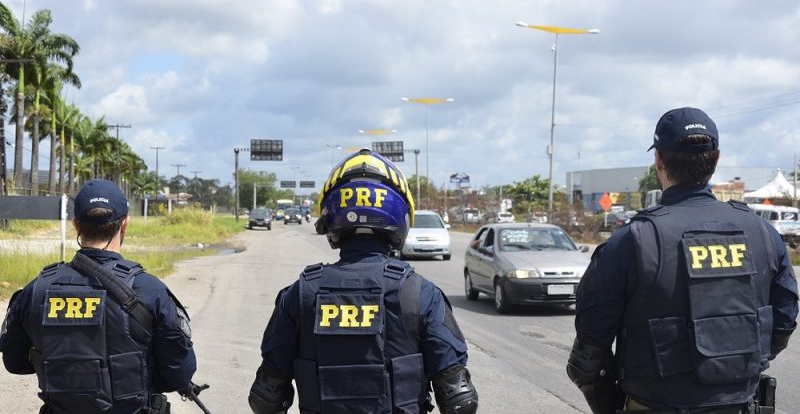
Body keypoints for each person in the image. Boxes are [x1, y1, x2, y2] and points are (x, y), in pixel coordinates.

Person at [567, 107, 799, 414]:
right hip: (740, 403)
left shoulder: (632, 241)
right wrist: (731, 372)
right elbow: (784, 321)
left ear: (659, 161)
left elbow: (589, 354)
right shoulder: (763, 233)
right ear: (715, 160)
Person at [248, 148, 478, 414]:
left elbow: (265, 398)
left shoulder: (302, 292)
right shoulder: (420, 293)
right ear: (400, 213)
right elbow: (459, 400)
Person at [0, 179, 199, 414]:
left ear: (76, 225)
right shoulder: (150, 290)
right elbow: (179, 373)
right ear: (124, 224)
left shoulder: (38, 290)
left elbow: (15, 363)